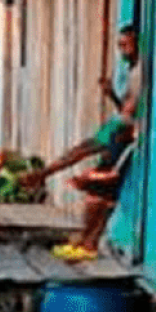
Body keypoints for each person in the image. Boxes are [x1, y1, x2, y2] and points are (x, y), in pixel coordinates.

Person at [22, 24, 142, 261]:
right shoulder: (134, 70)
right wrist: (112, 96)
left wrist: (129, 127)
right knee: (86, 161)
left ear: (138, 43)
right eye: (120, 45)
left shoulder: (143, 71)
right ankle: (86, 240)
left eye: (126, 45)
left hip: (125, 133)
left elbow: (135, 112)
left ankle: (88, 242)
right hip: (118, 125)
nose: (122, 51)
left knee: (100, 189)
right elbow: (127, 109)